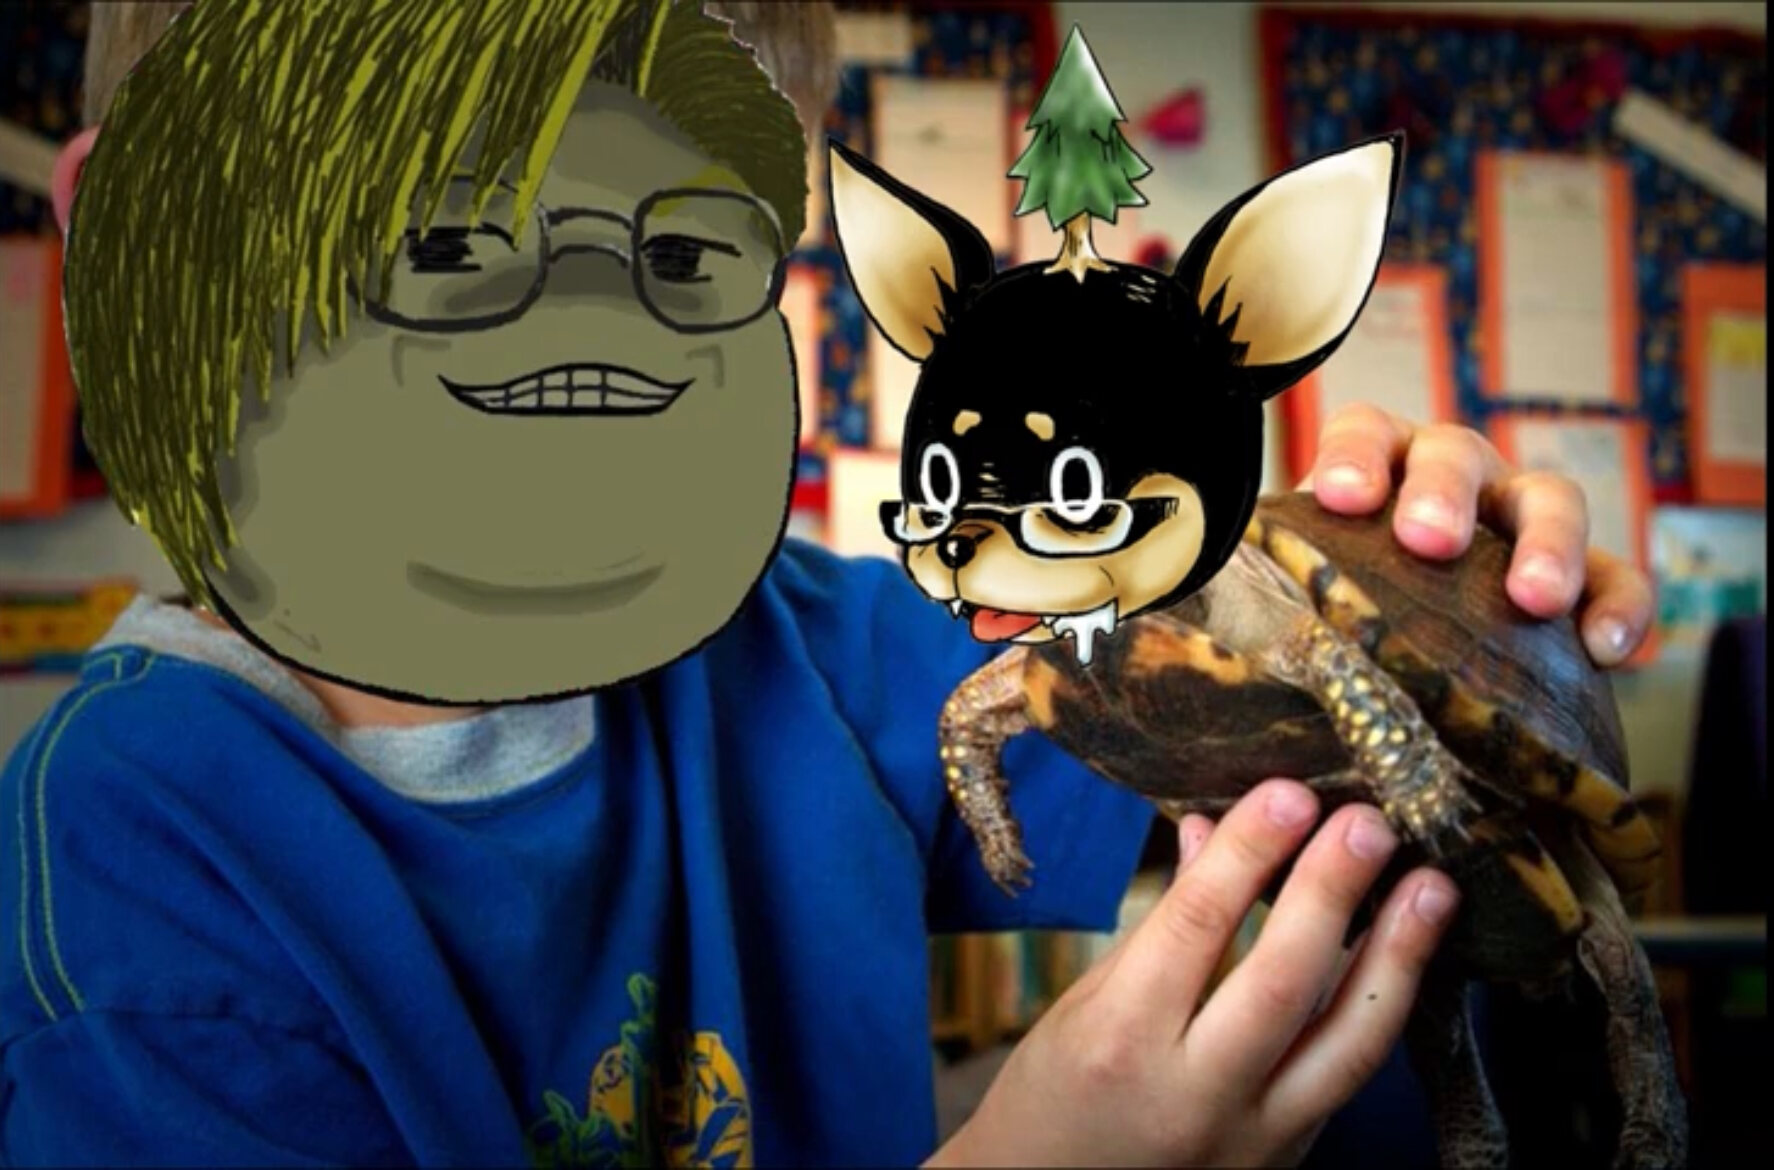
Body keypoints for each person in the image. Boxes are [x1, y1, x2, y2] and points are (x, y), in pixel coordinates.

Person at [1, 2, 1654, 1167]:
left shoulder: (816, 657)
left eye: (683, 250)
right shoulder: (136, 869)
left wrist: (1452, 613)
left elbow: (1347, 834)